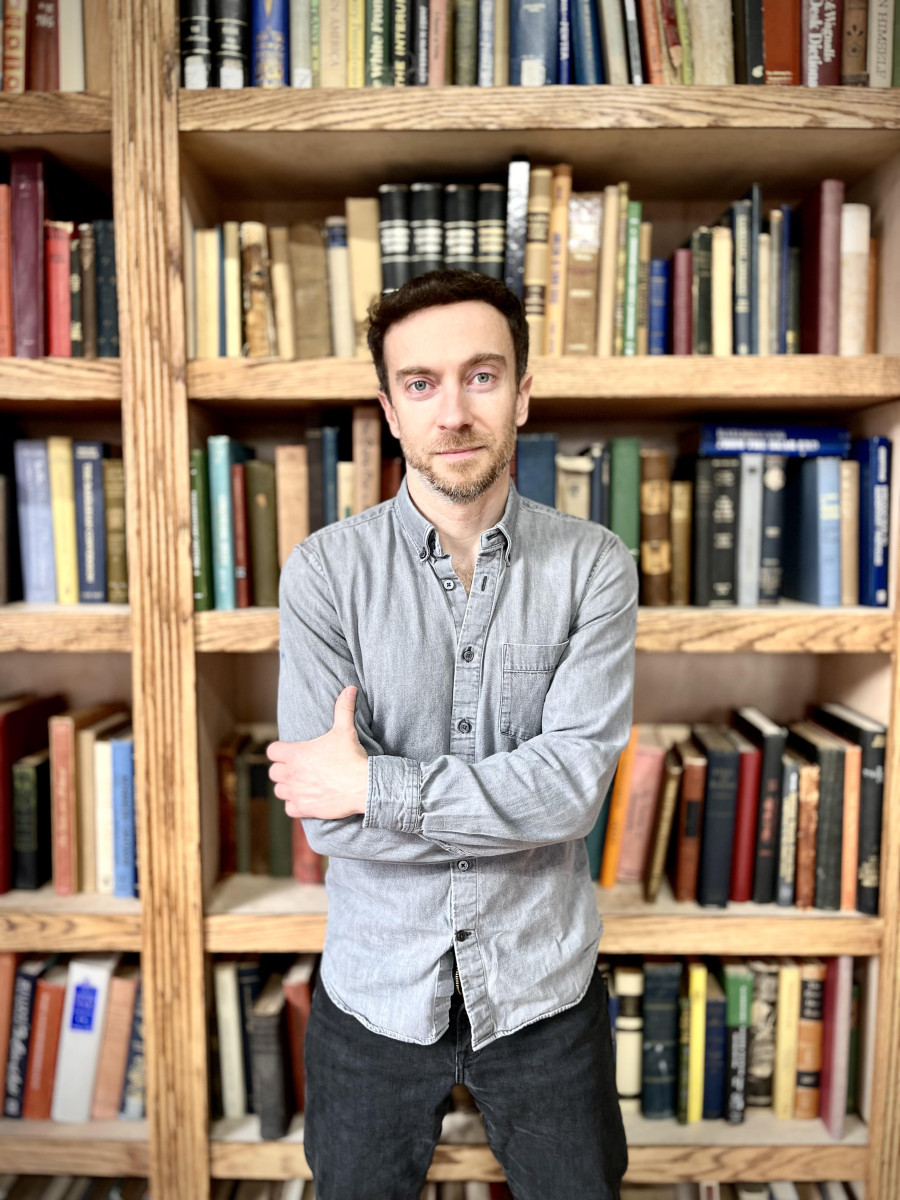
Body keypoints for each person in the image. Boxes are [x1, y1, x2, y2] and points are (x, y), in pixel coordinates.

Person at [267, 269, 638, 1200]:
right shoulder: (324, 573)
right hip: (376, 992)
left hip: (546, 992)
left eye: (481, 376)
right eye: (422, 383)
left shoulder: (594, 567)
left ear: (522, 393)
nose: (455, 412)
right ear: (390, 410)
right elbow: (326, 820)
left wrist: (375, 786)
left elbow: (572, 794)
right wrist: (500, 805)